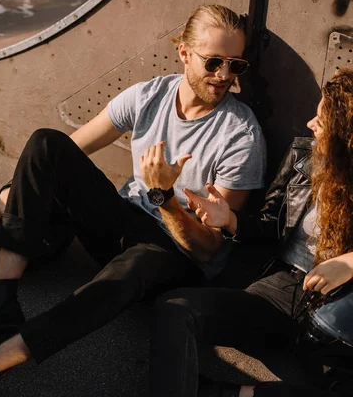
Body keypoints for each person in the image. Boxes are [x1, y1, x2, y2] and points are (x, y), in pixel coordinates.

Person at [0, 4, 266, 396]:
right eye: (214, 62)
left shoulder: (240, 137)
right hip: (124, 222)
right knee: (45, 142)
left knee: (122, 277)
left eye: (235, 66)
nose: (223, 77)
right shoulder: (150, 95)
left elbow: (208, 251)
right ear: (184, 53)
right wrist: (17, 191)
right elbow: (64, 152)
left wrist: (165, 197)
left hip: (174, 255)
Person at [148, 68, 353, 397]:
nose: (311, 125)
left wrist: (350, 262)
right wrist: (230, 220)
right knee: (176, 308)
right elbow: (271, 223)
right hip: (284, 288)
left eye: (322, 121)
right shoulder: (304, 154)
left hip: (339, 309)